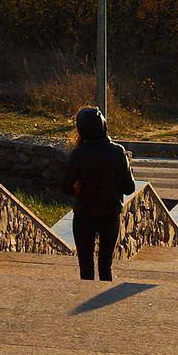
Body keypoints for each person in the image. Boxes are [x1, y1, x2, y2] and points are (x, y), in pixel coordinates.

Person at [61, 106, 135, 281]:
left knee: (86, 267)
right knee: (105, 265)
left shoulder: (78, 154)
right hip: (110, 215)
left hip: (84, 215)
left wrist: (78, 186)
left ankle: (85, 294)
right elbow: (129, 187)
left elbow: (65, 187)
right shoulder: (118, 151)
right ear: (103, 126)